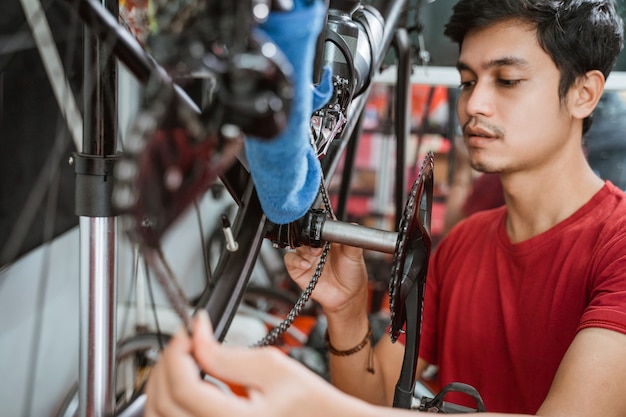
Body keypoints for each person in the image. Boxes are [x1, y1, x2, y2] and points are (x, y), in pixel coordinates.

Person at [144, 0, 626, 416]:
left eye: (507, 80)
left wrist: (319, 406)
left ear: (583, 93)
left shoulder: (617, 244)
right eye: (467, 80)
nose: (475, 103)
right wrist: (348, 310)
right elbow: (375, 399)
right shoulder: (461, 246)